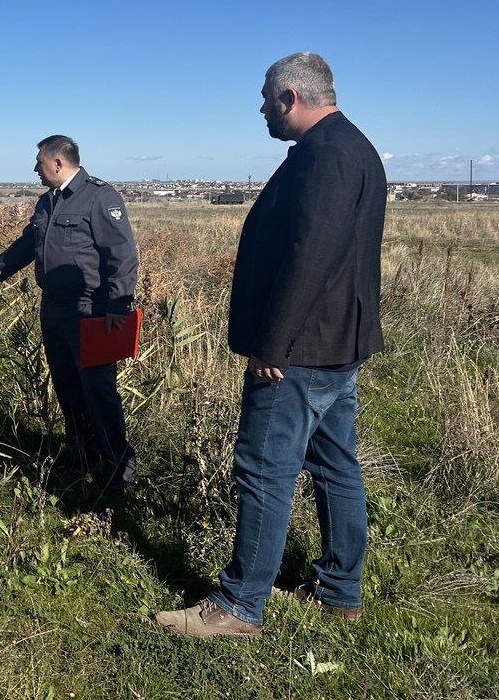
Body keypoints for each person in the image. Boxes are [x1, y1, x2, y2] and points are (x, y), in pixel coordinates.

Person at [157, 52, 386, 638]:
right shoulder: (353, 147)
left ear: (289, 97)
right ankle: (340, 589)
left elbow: (310, 258)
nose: (260, 108)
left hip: (302, 351)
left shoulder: (327, 156)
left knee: (263, 468)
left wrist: (273, 344)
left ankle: (239, 605)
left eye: (264, 98)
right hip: (337, 343)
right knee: (335, 464)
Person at [0, 135, 139, 490]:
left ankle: (117, 470)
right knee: (68, 388)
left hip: (91, 311)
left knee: (99, 393)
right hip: (54, 311)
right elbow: (26, 247)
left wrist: (118, 304)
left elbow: (122, 254)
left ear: (58, 163)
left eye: (39, 162)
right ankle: (82, 458)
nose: (34, 169)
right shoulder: (46, 203)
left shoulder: (100, 197)